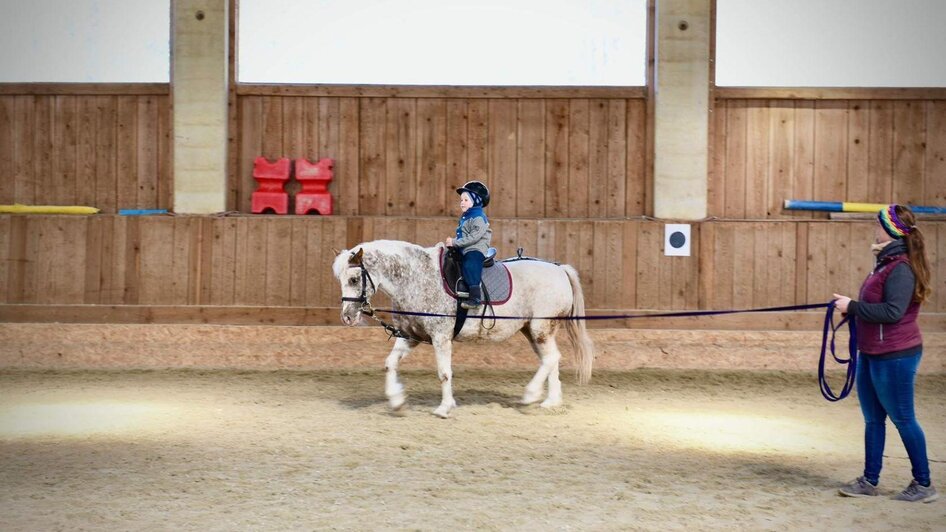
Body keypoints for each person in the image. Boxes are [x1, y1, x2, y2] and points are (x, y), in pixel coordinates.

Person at [833, 204, 938, 503]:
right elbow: (876, 306)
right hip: (873, 351)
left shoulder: (900, 268)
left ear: (889, 229)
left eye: (878, 224)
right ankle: (870, 479)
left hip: (895, 354)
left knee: (903, 418)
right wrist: (850, 308)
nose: (874, 228)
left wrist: (853, 307)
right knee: (873, 420)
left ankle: (923, 483)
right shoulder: (885, 263)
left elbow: (893, 311)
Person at [445, 181, 492, 310]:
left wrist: (455, 242)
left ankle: (475, 297)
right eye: (461, 200)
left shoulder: (478, 217)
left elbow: (473, 237)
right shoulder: (466, 217)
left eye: (466, 200)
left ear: (476, 202)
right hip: (464, 247)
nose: (462, 202)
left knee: (471, 263)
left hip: (475, 248)